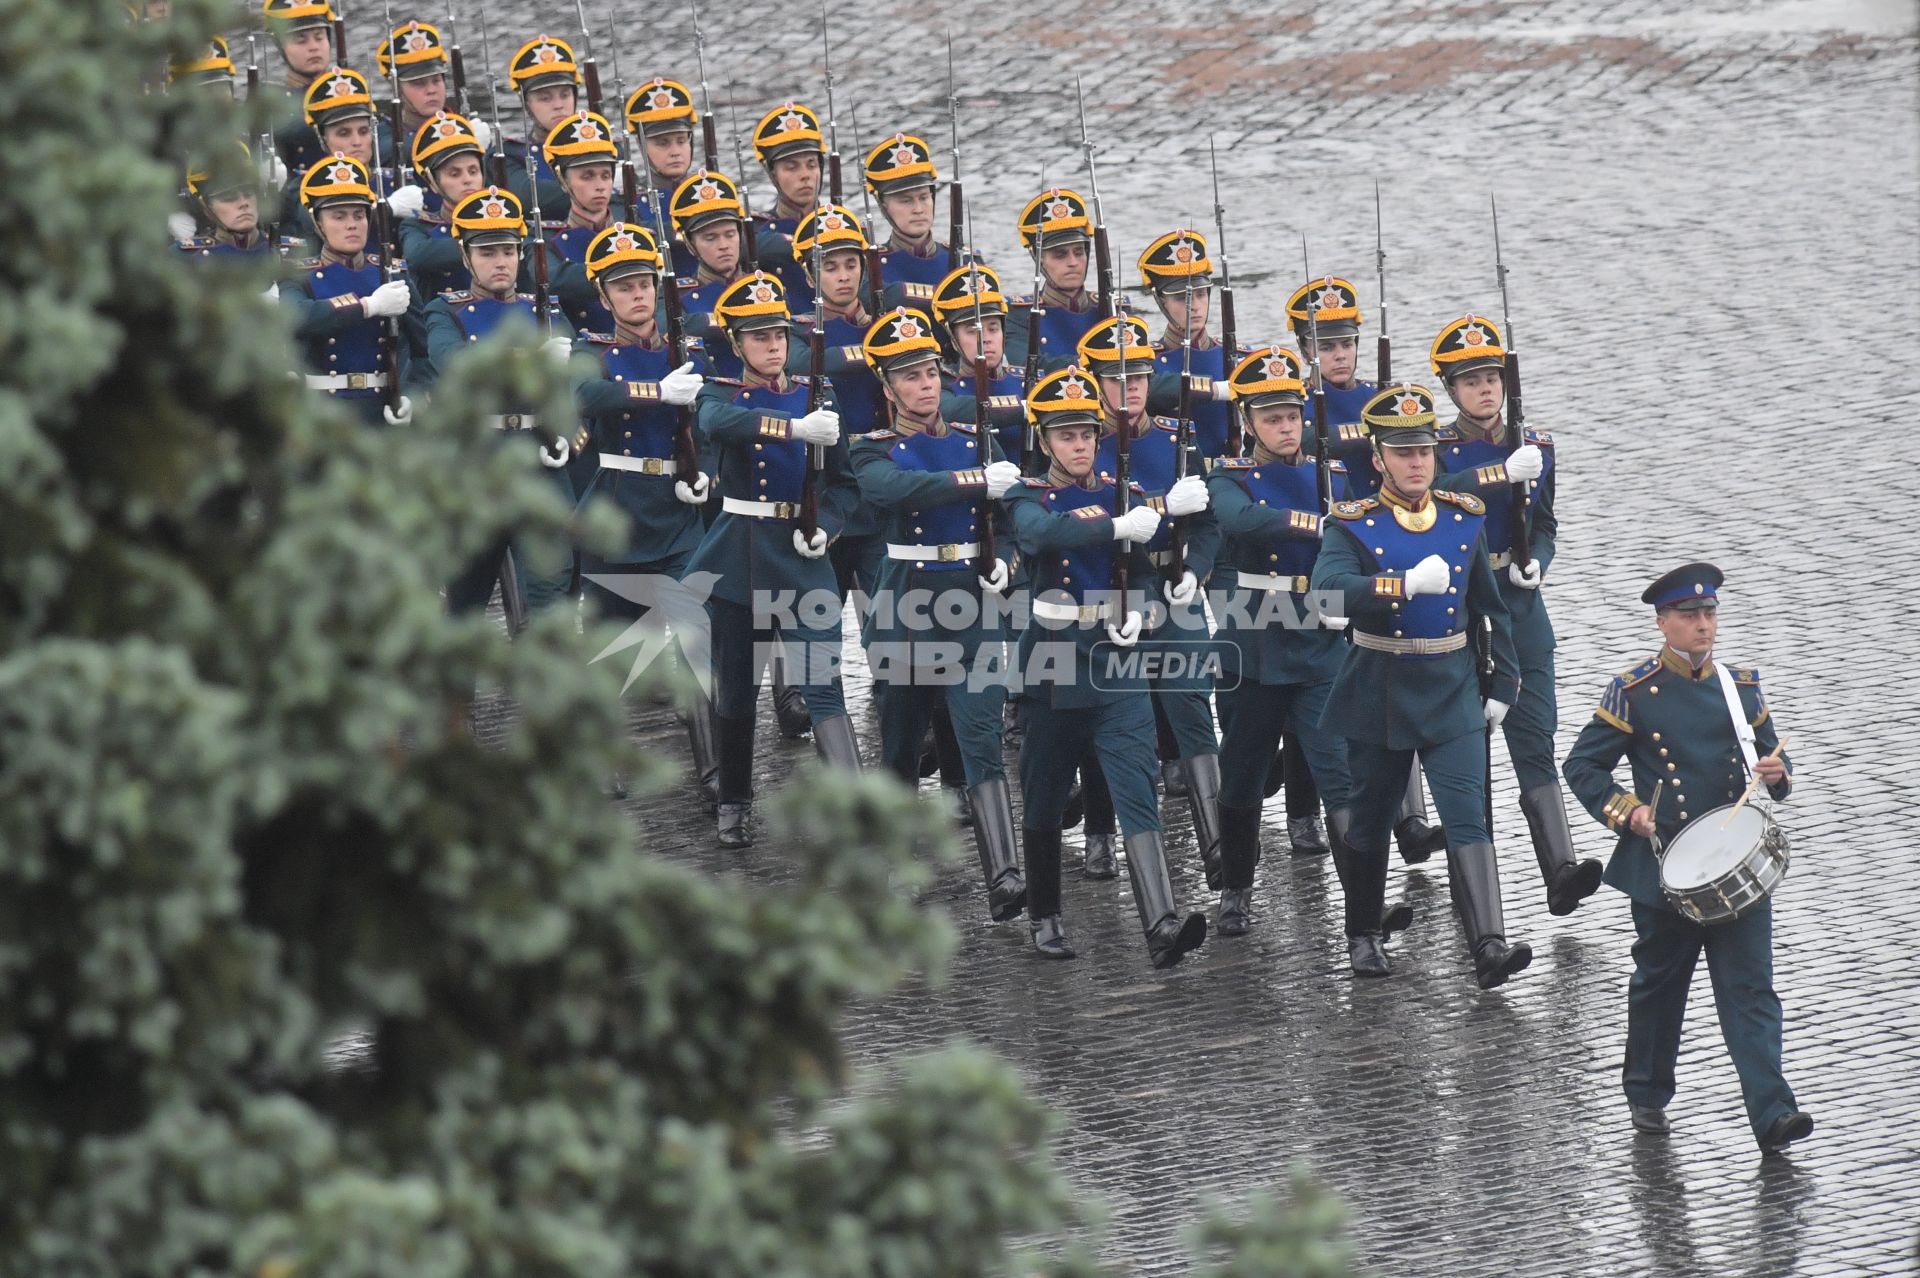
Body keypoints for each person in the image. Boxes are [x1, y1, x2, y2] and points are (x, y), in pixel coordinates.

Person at [1562, 563, 1811, 1155]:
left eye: (1710, 614)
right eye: (1691, 616)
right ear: (1663, 623)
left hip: (1735, 864)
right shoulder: (1635, 690)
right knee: (1659, 986)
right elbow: (1582, 767)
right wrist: (1627, 811)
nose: (1704, 625)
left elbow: (1775, 766)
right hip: (1663, 867)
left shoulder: (1740, 686)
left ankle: (1774, 1113)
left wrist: (1779, 777)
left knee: (1751, 990)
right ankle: (1646, 1094)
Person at [1311, 384, 1526, 984]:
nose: (1416, 463)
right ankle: (1362, 934)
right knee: (1372, 818)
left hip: (1452, 685)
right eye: (1403, 453)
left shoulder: (1464, 519)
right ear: (1378, 458)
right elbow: (1324, 592)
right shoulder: (1352, 524)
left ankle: (1488, 945)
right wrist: (1400, 585)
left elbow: (1492, 608)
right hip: (1379, 683)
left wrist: (1503, 683)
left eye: (1425, 452)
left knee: (1467, 816)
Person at [1001, 366, 1207, 968]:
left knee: (1137, 789)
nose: (1080, 444)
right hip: (1054, 664)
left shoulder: (1122, 492)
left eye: (1088, 433)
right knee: (1042, 800)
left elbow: (1141, 574)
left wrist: (1138, 615)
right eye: (1066, 436)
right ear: (1044, 442)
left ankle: (1161, 921)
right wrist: (1120, 523)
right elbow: (1042, 536)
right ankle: (1043, 914)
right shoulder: (1027, 495)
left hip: (1117, 667)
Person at [848, 307, 1025, 921]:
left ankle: (1004, 872)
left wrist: (1008, 560)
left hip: (972, 604)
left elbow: (1011, 517)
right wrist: (977, 480)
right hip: (907, 606)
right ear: (888, 387)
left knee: (981, 737)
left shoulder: (980, 439)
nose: (925, 385)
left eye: (930, 372)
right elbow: (894, 493)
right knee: (900, 744)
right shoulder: (872, 450)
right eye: (910, 376)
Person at [1429, 313, 1601, 916]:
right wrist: (1503, 471)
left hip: (1522, 604)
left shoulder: (1539, 446)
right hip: (1465, 610)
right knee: (1466, 753)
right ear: (1450, 389)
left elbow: (1545, 525)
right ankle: (1471, 891)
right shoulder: (1439, 448)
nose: (1484, 389)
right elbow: (1441, 490)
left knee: (1535, 737)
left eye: (1492, 378)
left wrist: (1541, 561)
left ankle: (1560, 867)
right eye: (1470, 380)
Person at [1205, 347, 1378, 938]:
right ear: (1249, 422)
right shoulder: (1229, 476)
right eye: (1271, 418)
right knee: (1242, 773)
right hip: (1253, 643)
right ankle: (1235, 889)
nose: (1284, 428)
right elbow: (1244, 522)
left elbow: (1362, 545)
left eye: (1292, 416)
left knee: (1340, 777)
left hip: (1320, 640)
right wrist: (1322, 521)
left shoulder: (1332, 476)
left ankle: (1363, 912)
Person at [687, 270, 863, 848]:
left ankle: (856, 810)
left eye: (779, 336)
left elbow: (844, 484)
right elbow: (717, 424)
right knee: (737, 686)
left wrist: (830, 529)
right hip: (741, 552)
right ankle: (735, 799)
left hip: (800, 555)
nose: (772, 346)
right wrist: (792, 427)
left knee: (823, 681)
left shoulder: (819, 393)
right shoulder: (720, 391)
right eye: (759, 338)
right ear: (736, 344)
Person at [1293, 273, 1446, 863]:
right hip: (1325, 549)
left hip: (1386, 549)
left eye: (1345, 343)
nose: (1338, 354)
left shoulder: (1382, 403)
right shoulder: (1295, 407)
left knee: (1392, 676)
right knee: (1321, 694)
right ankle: (1311, 813)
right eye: (1326, 345)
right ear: (1308, 351)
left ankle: (1412, 821)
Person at [569, 220, 722, 807]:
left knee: (694, 640)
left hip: (679, 513)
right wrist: (657, 393)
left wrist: (704, 471)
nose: (636, 296)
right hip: (618, 512)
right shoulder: (593, 352)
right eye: (622, 287)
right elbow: (586, 396)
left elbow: (711, 420)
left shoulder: (690, 347)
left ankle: (713, 775)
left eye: (643, 285)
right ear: (604, 297)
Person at [1078, 315, 1222, 888]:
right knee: (1109, 715)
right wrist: (1165, 508)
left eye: (1139, 375)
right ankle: (1098, 831)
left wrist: (1201, 570)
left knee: (1192, 702)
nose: (1132, 386)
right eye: (1117, 377)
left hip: (1172, 585)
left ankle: (1218, 842)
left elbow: (1209, 525)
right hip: (1106, 592)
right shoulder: (1078, 442)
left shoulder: (1176, 438)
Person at [419, 185, 577, 615]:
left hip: (538, 456)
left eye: (508, 250)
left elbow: (580, 368)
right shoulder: (445, 310)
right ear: (466, 257)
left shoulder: (543, 308)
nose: (500, 262)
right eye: (487, 253)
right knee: (466, 597)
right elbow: (452, 361)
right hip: (477, 462)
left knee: (549, 593)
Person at [278, 153, 415, 428]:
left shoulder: (392, 272)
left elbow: (420, 350)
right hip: (322, 410)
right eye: (338, 216)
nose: (351, 224)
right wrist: (367, 306)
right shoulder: (298, 275)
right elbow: (298, 316)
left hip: (381, 409)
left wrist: (412, 395)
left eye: (359, 215)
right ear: (319, 223)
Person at [537, 110, 628, 332]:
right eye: (587, 176)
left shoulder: (635, 236)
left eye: (605, 175)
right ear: (563, 181)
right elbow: (555, 280)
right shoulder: (546, 241)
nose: (599, 185)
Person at [1004, 188, 1099, 371]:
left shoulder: (1110, 307)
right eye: (1060, 255)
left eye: (1079, 252)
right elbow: (1027, 366)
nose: (1073, 262)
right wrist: (1097, 362)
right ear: (1039, 259)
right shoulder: (1018, 315)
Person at [620, 76, 700, 275]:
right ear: (642, 146)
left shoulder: (712, 193)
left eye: (681, 141)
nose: (675, 151)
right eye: (663, 143)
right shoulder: (629, 201)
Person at [862, 132, 959, 291]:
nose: (918, 209)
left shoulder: (965, 260)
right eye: (906, 201)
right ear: (883, 206)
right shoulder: (870, 267)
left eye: (923, 197)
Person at [503, 34, 582, 219]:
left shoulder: (607, 146)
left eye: (565, 95)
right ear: (526, 102)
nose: (558, 105)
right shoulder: (511, 154)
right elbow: (527, 196)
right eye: (545, 98)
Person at [262, 0, 340, 177]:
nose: (313, 47)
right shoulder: (271, 104)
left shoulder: (351, 91)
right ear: (282, 47)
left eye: (319, 37)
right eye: (300, 40)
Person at [374, 20, 452, 146]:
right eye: (418, 83)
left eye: (436, 80)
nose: (431, 90)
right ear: (397, 89)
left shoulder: (465, 125)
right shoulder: (381, 138)